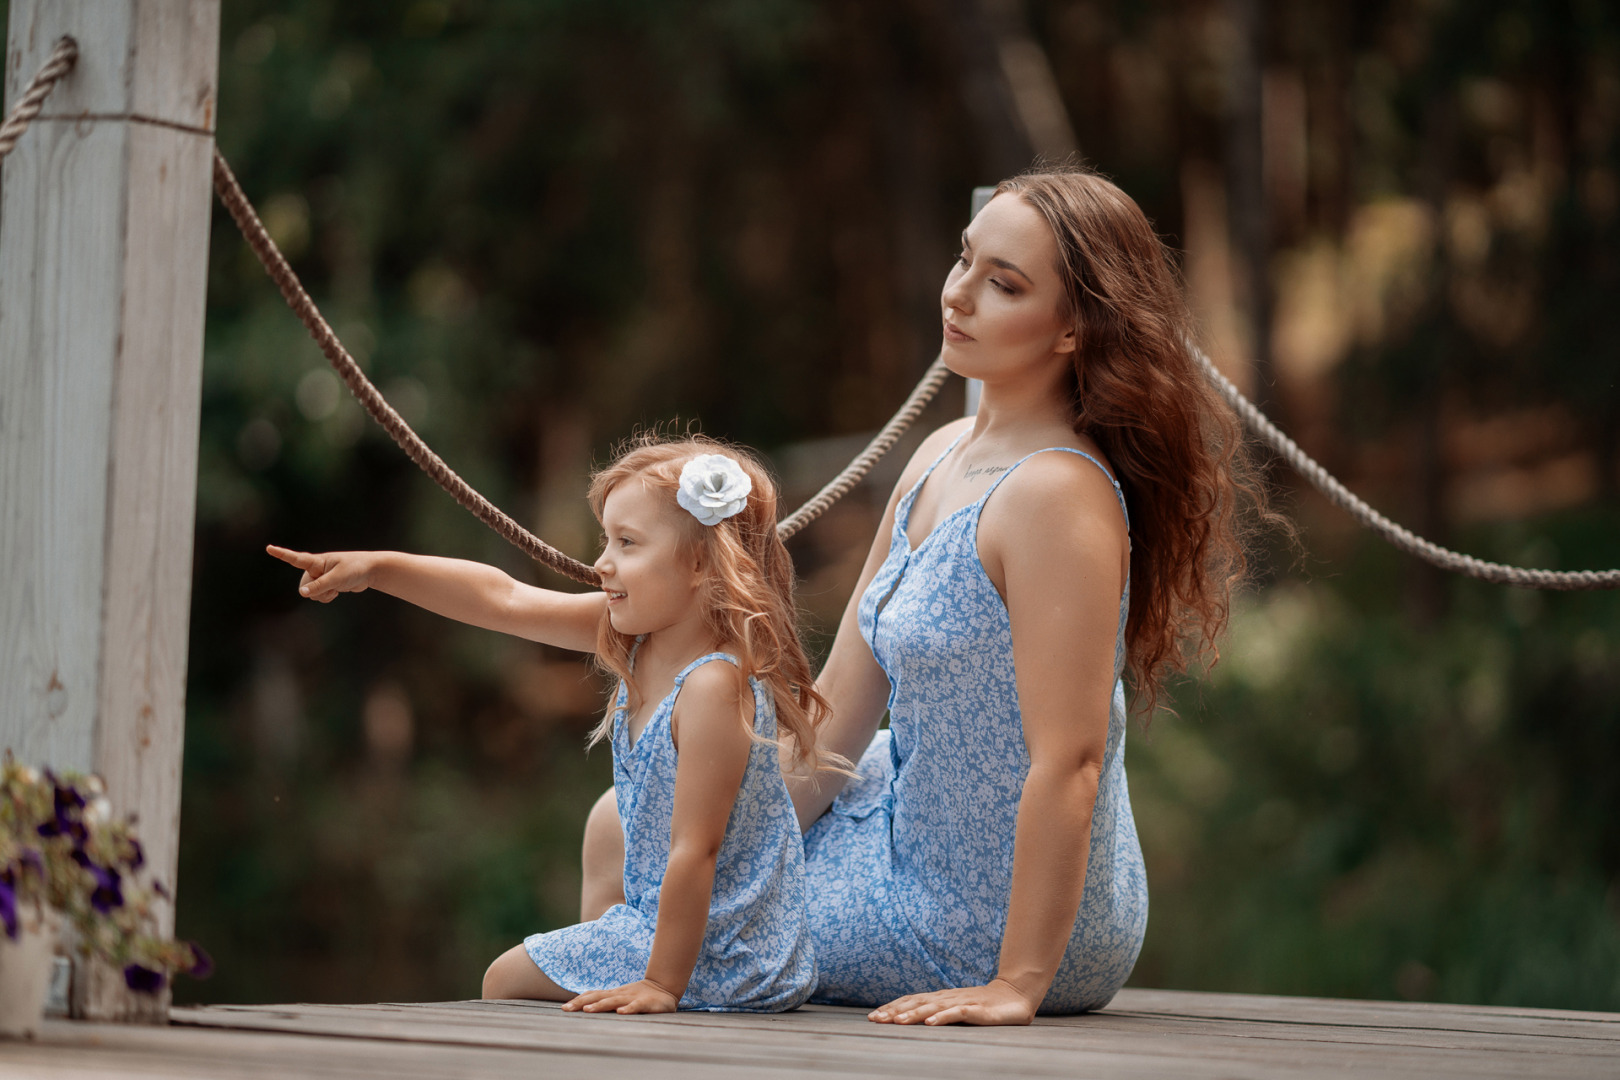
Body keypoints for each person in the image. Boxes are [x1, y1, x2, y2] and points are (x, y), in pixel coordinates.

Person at [578, 165, 1266, 1025]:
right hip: (905, 821)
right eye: (964, 260)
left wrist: (1017, 983)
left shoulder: (1056, 495)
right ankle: (633, 998)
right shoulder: (939, 453)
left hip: (995, 919)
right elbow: (837, 713)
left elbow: (1071, 763)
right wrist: (715, 812)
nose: (960, 294)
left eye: (1003, 284)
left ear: (1071, 332)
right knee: (627, 821)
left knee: (701, 895)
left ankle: (631, 1008)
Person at [269, 435, 840, 1013]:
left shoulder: (713, 685)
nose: (602, 563)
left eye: (627, 543)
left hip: (728, 956)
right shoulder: (636, 637)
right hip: (683, 934)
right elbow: (504, 600)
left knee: (504, 980)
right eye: (605, 540)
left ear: (697, 563)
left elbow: (697, 850)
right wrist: (379, 569)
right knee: (514, 977)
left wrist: (661, 986)